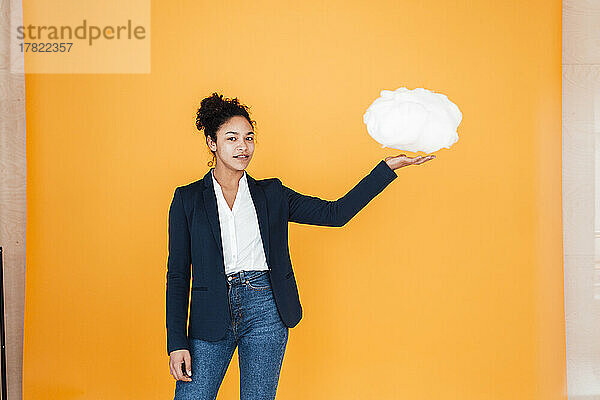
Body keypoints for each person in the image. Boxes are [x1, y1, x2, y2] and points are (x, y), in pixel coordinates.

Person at [167, 92, 435, 399]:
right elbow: (177, 275)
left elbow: (335, 214)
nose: (243, 147)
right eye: (232, 138)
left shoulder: (272, 193)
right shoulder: (187, 199)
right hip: (210, 312)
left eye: (249, 138)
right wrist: (176, 342)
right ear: (212, 143)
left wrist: (387, 169)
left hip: (266, 307)